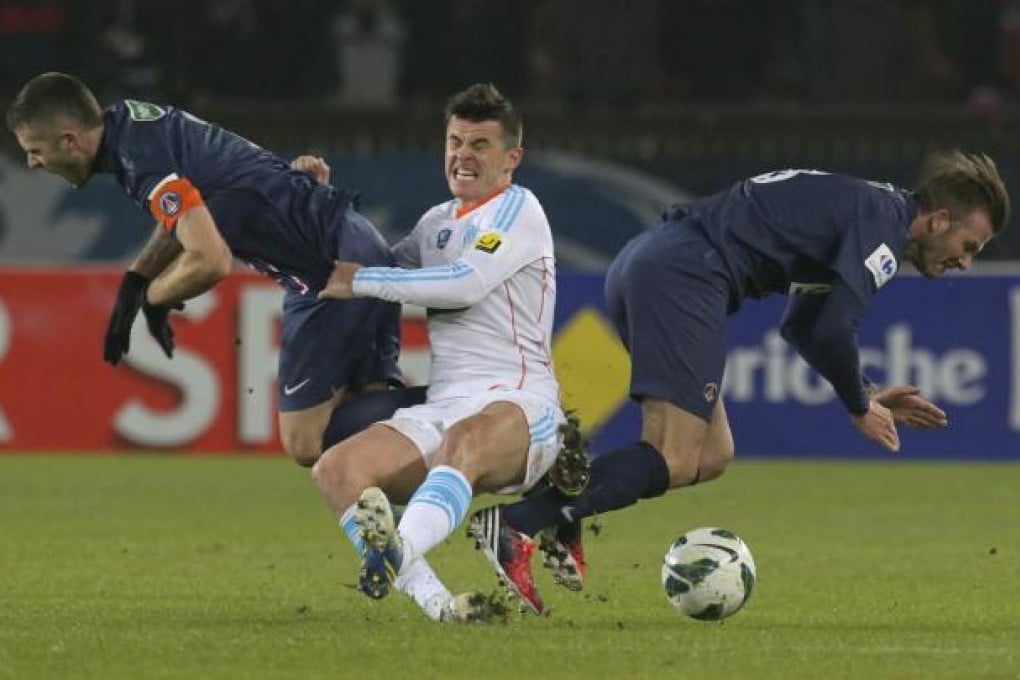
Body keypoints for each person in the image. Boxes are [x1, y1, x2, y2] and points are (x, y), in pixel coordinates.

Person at [469, 152, 1010, 606]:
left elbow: (804, 327)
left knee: (710, 454)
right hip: (687, 275)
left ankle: (562, 509)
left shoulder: (870, 208)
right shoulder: (884, 229)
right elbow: (835, 328)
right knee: (675, 454)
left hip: (652, 261)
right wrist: (857, 403)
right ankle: (518, 523)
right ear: (939, 219)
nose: (964, 262)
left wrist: (864, 389)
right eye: (969, 246)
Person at [6, 72, 426, 468]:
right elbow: (191, 215)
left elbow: (210, 258)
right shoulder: (132, 125)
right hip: (353, 244)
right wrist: (137, 280)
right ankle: (453, 453)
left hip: (328, 271)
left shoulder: (139, 160)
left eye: (35, 151)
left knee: (305, 440)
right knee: (373, 425)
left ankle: (469, 408)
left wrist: (154, 298)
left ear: (69, 140)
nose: (33, 164)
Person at [311, 83, 567, 619]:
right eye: (455, 141)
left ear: (511, 159)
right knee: (336, 470)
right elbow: (383, 264)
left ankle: (392, 551)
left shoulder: (519, 209)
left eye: (479, 144)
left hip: (523, 403)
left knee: (465, 439)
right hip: (448, 402)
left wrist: (358, 280)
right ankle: (441, 606)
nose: (463, 155)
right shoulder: (436, 223)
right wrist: (318, 208)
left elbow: (463, 283)